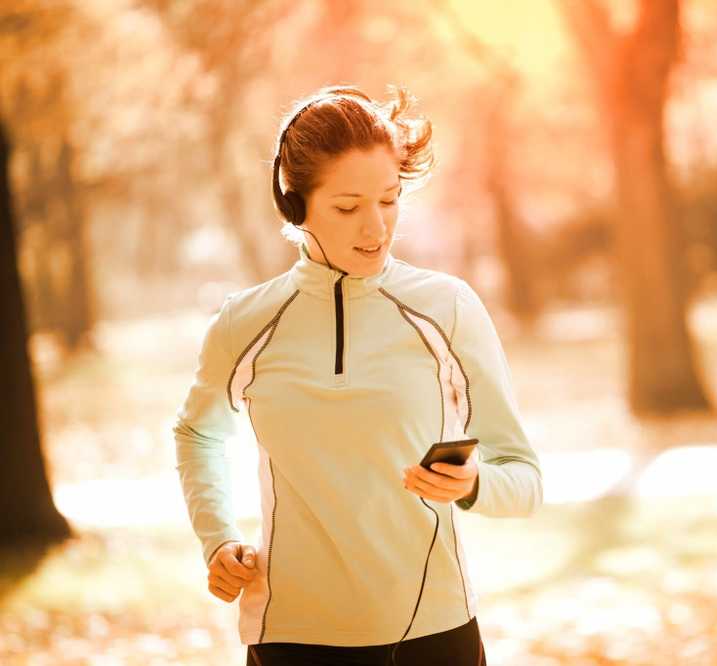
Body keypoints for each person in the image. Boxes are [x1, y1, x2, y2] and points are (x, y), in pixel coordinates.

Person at [172, 83, 543, 666]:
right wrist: (218, 538)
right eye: (348, 207)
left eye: (389, 200)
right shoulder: (245, 322)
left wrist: (472, 486)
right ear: (295, 205)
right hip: (291, 637)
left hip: (434, 634)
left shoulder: (447, 307)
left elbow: (524, 478)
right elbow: (198, 433)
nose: (376, 229)